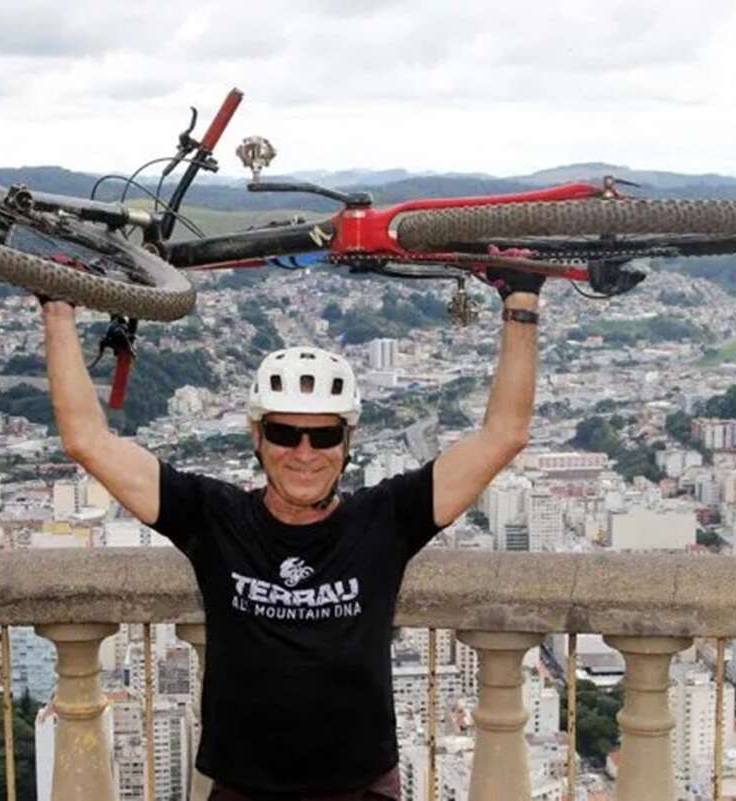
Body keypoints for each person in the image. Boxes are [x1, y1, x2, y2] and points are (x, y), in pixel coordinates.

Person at [41, 268, 543, 801]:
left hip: (360, 786)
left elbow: (503, 436)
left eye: (323, 435)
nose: (304, 454)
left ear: (348, 440)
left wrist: (521, 301)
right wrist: (58, 309)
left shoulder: (387, 519)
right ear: (257, 435)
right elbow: (86, 440)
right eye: (284, 432)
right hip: (242, 786)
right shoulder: (214, 517)